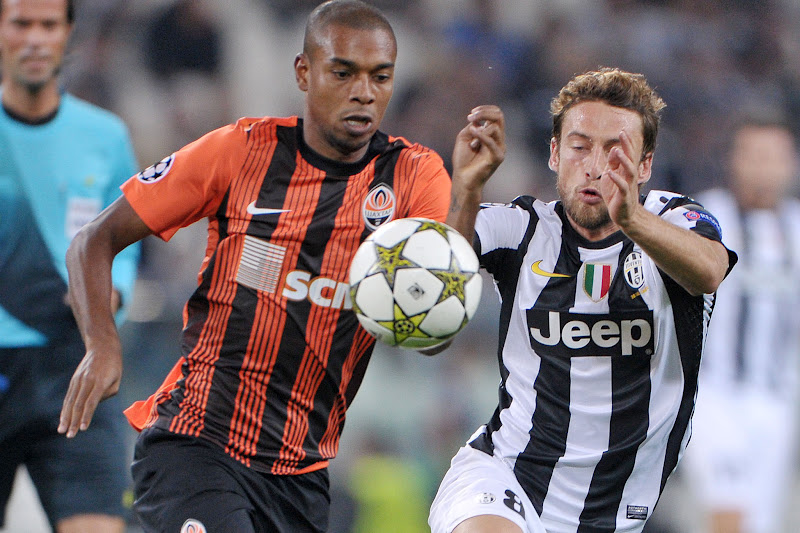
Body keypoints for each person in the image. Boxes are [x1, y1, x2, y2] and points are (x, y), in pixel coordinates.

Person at [57, 1, 505, 532]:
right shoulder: (240, 151)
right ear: (304, 72)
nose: (364, 92)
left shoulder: (413, 174)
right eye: (344, 73)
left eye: (380, 77)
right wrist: (102, 346)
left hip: (302, 475)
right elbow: (94, 240)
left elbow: (432, 335)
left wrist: (469, 193)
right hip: (196, 445)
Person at [430, 67, 738, 533]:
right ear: (555, 153)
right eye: (579, 147)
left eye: (616, 152)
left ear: (645, 166)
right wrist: (468, 189)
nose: (595, 167)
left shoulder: (673, 220)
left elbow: (710, 271)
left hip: (614, 511)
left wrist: (631, 219)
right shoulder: (523, 228)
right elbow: (437, 277)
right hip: (505, 477)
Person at [0, 0, 140, 531]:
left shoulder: (105, 136)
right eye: (21, 23)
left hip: (75, 363)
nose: (35, 38)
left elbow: (126, 238)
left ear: (68, 33)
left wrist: (115, 293)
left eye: (48, 24)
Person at [679, 116, 800, 533]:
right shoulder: (705, 219)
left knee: (761, 524)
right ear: (735, 160)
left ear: (791, 164)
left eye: (775, 157)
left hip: (775, 400)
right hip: (715, 396)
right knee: (729, 516)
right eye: (755, 155)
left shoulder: (796, 227)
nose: (765, 168)